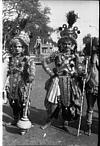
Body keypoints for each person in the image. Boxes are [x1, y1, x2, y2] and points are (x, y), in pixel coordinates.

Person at [41, 25, 83, 129]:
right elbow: (44, 62)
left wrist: (81, 73)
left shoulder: (75, 57)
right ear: (61, 44)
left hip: (70, 81)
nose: (67, 46)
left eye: (69, 44)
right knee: (53, 102)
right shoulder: (56, 55)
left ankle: (65, 122)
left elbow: (79, 69)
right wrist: (51, 73)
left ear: (73, 45)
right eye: (64, 44)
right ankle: (49, 121)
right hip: (57, 80)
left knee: (69, 102)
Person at [3, 31, 35, 126]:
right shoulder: (10, 58)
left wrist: (31, 75)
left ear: (23, 48)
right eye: (16, 46)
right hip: (12, 81)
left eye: (20, 47)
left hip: (22, 82)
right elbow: (7, 69)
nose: (17, 48)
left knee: (22, 101)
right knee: (12, 101)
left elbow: (32, 69)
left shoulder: (27, 58)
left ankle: (23, 119)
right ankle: (15, 118)